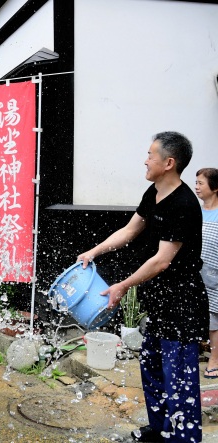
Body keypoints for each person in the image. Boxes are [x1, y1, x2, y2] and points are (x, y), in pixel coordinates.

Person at [76, 132, 207, 443]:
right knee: (151, 366)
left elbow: (162, 260)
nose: (145, 160)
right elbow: (130, 229)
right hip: (160, 301)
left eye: (150, 154)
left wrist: (122, 285)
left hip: (182, 303)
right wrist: (93, 251)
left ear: (169, 163)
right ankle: (160, 429)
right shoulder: (155, 192)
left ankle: (185, 438)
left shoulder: (184, 204)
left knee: (180, 379)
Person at [196, 168, 218, 379]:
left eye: (201, 183)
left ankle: (214, 359)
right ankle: (194, 352)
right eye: (196, 182)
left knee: (214, 320)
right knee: (194, 314)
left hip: (215, 276)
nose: (196, 187)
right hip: (195, 272)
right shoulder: (195, 210)